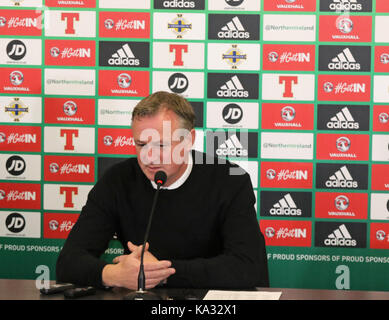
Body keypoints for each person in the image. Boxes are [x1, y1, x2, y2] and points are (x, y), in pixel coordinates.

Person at [56, 91, 269, 290]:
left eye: (161, 146)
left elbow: (247, 267)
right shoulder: (118, 180)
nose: (149, 157)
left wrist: (160, 273)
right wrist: (113, 274)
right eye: (141, 144)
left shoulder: (229, 180)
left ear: (189, 140)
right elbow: (68, 262)